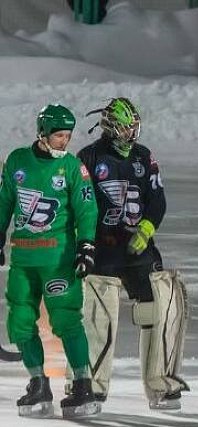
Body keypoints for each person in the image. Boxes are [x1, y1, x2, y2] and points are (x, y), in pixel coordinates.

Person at [73, 97, 189, 410]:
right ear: (111, 127)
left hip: (138, 248)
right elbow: (80, 205)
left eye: (133, 126)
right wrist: (84, 243)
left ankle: (161, 384)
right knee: (99, 315)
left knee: (161, 305)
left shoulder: (144, 156)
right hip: (104, 249)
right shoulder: (88, 157)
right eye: (126, 126)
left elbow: (157, 201)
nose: (132, 132)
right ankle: (92, 387)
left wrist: (147, 230)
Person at [0, 104, 100, 418]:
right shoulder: (17, 161)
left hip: (59, 259)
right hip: (23, 260)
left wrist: (86, 246)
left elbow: (87, 209)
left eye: (68, 135)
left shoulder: (73, 167)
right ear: (42, 133)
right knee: (19, 320)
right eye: (58, 135)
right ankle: (38, 384)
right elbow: (4, 202)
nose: (64, 141)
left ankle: (83, 386)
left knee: (68, 320)